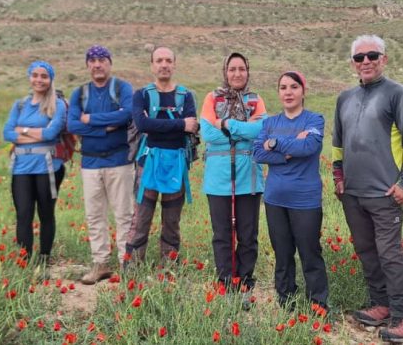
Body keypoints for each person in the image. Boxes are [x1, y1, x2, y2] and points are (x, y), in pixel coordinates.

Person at [332, 35, 403, 343]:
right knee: (366, 251)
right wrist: (337, 175)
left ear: (384, 59)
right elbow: (337, 142)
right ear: (353, 64)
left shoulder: (398, 94)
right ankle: (381, 304)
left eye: (372, 55)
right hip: (352, 193)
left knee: (390, 254)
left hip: (385, 193)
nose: (366, 61)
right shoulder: (345, 98)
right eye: (360, 58)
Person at [253, 71, 329, 313]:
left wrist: (275, 143)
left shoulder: (314, 119)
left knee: (310, 253)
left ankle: (318, 304)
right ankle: (286, 301)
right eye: (283, 87)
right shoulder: (269, 123)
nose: (288, 92)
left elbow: (309, 146)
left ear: (303, 91)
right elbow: (258, 153)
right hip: (275, 199)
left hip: (305, 200)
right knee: (283, 253)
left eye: (294, 87)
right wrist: (288, 151)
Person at [200, 52, 267, 297]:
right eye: (232, 69)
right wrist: (243, 131)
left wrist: (227, 124)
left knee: (248, 235)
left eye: (242, 69)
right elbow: (208, 133)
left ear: (248, 72)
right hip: (218, 180)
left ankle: (245, 281)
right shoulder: (212, 98)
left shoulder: (255, 99)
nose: (237, 74)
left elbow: (261, 130)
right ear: (225, 72)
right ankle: (226, 282)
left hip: (249, 178)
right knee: (222, 234)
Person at [67, 45, 135, 284]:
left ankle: (126, 263)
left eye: (102, 60)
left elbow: (127, 115)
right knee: (95, 215)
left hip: (119, 160)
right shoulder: (80, 93)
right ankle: (101, 263)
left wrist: (91, 120)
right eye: (93, 60)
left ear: (110, 63)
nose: (97, 65)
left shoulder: (122, 88)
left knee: (124, 213)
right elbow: (73, 125)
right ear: (87, 65)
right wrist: (106, 128)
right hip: (90, 162)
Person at [125, 46, 199, 265]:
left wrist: (155, 124)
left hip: (176, 164)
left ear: (174, 65)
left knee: (172, 221)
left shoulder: (186, 96)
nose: (164, 65)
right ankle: (132, 267)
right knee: (141, 218)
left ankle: (169, 267)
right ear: (152, 65)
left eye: (168, 60)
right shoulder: (141, 95)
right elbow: (142, 124)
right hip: (147, 163)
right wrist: (180, 124)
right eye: (159, 60)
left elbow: (192, 127)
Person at [2, 61, 66, 264]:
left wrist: (22, 131)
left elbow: (51, 133)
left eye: (44, 76)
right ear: (30, 77)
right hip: (21, 167)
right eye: (35, 75)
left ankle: (44, 257)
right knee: (23, 214)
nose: (39, 80)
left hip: (48, 166)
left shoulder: (58, 104)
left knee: (45, 213)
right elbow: (7, 133)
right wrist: (36, 133)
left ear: (51, 79)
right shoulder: (20, 105)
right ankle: (24, 259)